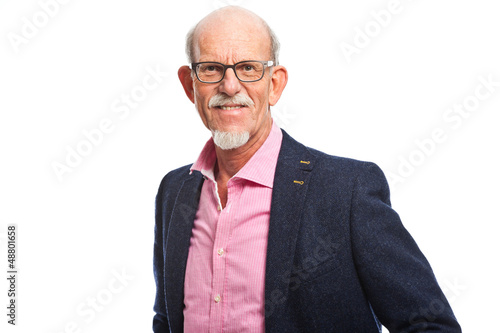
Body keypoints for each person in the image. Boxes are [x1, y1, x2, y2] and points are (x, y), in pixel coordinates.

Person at [153, 6, 461, 333]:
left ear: (275, 84)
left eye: (248, 68)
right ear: (190, 85)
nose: (230, 86)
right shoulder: (174, 191)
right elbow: (166, 320)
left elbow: (430, 324)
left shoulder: (346, 192)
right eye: (212, 69)